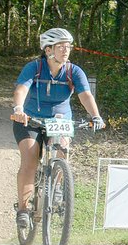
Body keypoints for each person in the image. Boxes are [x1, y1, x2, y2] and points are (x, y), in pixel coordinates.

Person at [11, 27, 106, 230]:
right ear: (48, 50)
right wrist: (18, 108)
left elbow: (85, 95)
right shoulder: (34, 67)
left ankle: (57, 187)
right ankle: (23, 209)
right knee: (30, 159)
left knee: (62, 153)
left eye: (68, 47)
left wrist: (95, 115)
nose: (66, 50)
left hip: (59, 120)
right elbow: (21, 89)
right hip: (30, 119)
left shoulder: (74, 71)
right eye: (61, 47)